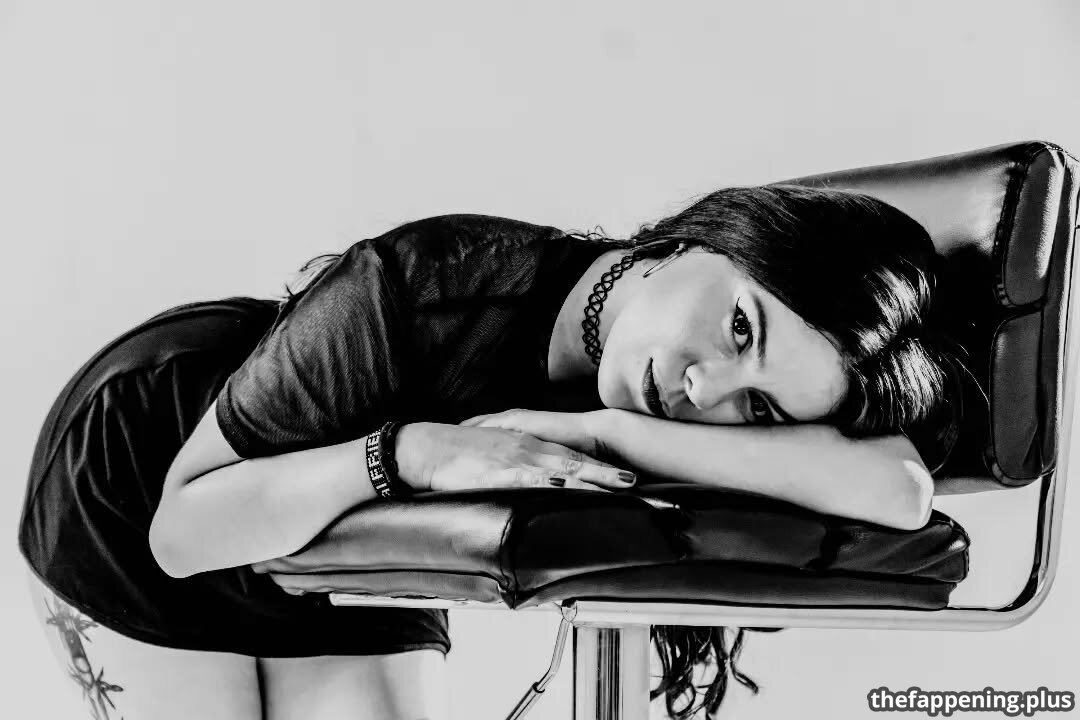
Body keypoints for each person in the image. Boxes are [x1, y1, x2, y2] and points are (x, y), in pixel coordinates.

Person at [19, 185, 967, 720]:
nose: (703, 388)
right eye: (740, 328)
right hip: (149, 478)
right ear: (707, 240)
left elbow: (897, 487)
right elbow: (183, 535)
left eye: (758, 408)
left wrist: (608, 434)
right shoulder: (420, 286)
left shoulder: (668, 408)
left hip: (342, 537)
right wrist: (407, 455)